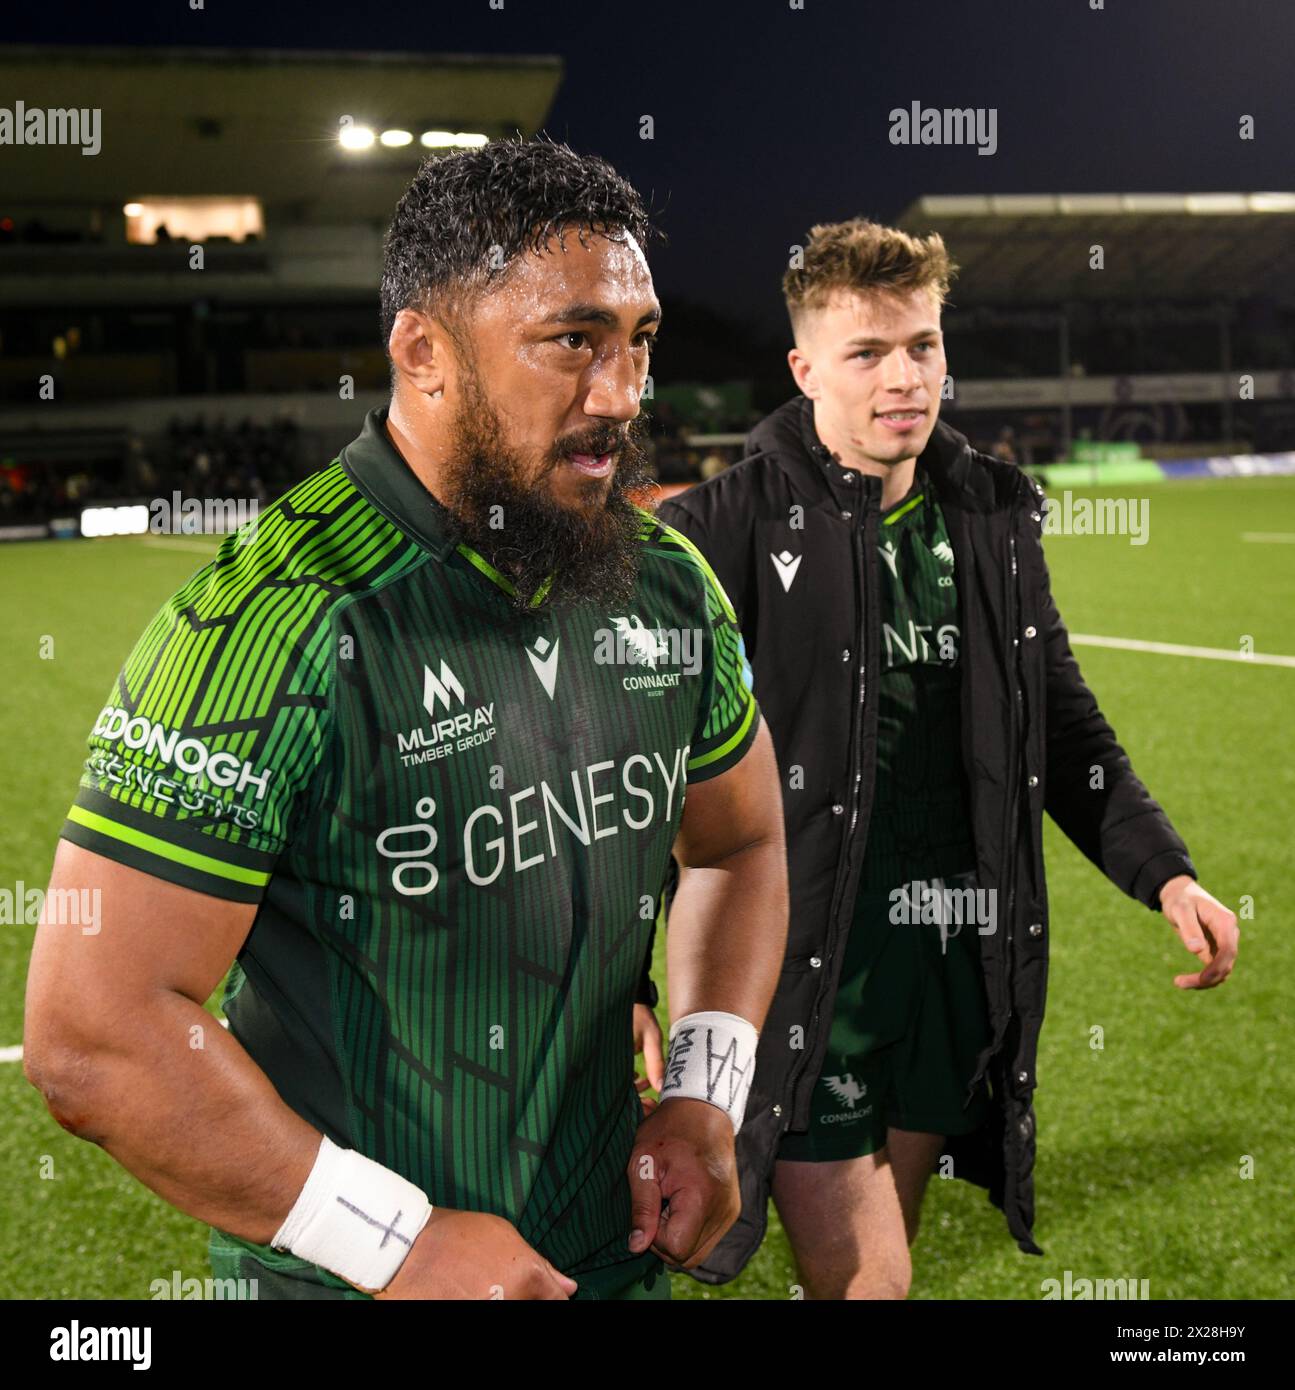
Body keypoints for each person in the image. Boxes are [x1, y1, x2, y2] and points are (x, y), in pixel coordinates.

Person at [23, 139, 788, 1302]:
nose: (623, 395)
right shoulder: (269, 620)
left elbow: (736, 842)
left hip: (613, 1259)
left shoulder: (667, 584)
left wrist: (702, 1088)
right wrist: (397, 1240)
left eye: (637, 341)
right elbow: (93, 1033)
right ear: (423, 353)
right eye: (572, 341)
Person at [654, 217, 1238, 1299]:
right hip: (807, 969)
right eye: (866, 353)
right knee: (872, 1276)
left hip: (952, 965)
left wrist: (1163, 870)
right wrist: (630, 994)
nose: (902, 377)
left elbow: (1062, 724)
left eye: (920, 345)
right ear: (803, 368)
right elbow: (650, 777)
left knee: (884, 1258)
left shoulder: (990, 515)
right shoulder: (717, 531)